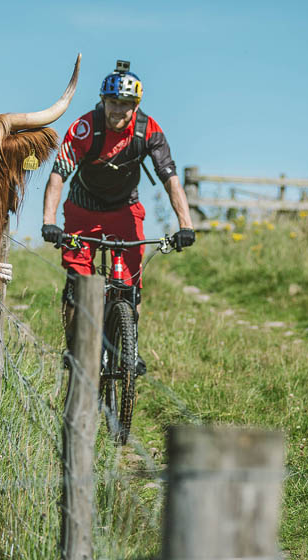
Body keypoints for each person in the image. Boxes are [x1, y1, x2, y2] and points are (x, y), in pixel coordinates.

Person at [40, 60, 195, 370]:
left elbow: (170, 178)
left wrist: (185, 225)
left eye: (125, 105)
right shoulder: (85, 128)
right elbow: (58, 174)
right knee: (77, 282)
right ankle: (74, 347)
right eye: (112, 102)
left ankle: (129, 344)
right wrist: (49, 221)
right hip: (83, 211)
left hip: (125, 210)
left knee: (132, 281)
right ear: (103, 100)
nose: (117, 111)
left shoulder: (148, 130)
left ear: (135, 106)